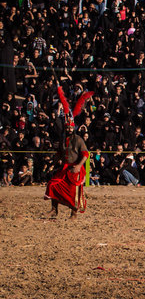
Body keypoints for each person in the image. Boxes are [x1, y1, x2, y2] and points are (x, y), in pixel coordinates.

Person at [44, 87, 93, 219]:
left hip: (76, 168)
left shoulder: (78, 139)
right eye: (68, 127)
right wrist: (52, 164)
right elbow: (59, 154)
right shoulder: (62, 139)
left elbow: (86, 154)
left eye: (71, 127)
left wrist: (78, 166)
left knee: (73, 192)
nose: (69, 129)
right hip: (65, 167)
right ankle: (54, 210)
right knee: (53, 184)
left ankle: (74, 213)